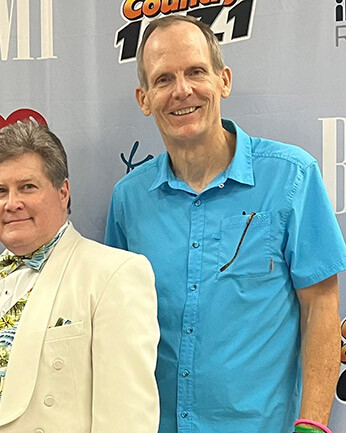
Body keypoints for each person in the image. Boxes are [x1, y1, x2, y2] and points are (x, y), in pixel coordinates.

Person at [105, 15, 346, 433]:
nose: (182, 91)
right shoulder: (128, 200)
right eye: (164, 79)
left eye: (196, 71)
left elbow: (321, 307)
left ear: (224, 80)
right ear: (144, 99)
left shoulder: (291, 177)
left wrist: (313, 426)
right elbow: (117, 323)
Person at [0, 121, 160, 432]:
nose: (12, 203)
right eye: (0, 191)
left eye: (27, 187)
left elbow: (128, 420)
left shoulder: (114, 274)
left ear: (63, 192)